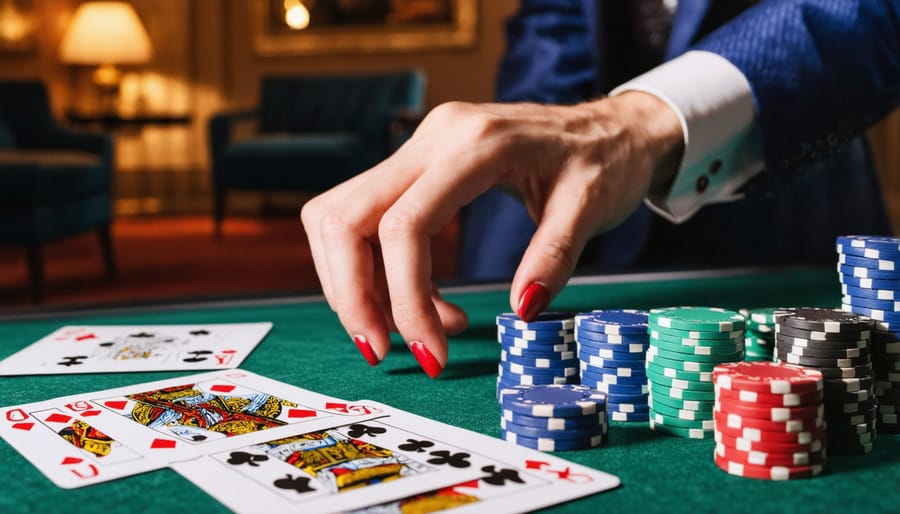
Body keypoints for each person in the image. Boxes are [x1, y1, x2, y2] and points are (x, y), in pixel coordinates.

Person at [301, 0, 900, 378]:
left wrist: (635, 125)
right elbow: (554, 29)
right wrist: (523, 145)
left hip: (776, 218)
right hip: (567, 234)